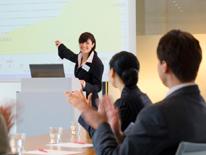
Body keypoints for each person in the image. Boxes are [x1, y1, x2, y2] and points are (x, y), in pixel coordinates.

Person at [65, 29, 206, 155]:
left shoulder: (157, 114)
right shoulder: (202, 109)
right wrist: (119, 135)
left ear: (164, 66)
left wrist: (89, 113)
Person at [55, 32, 104, 136]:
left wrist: (85, 84)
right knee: (77, 132)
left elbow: (98, 87)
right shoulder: (79, 57)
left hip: (89, 102)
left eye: (87, 43)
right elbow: (70, 55)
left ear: (93, 44)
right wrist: (60, 46)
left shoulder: (97, 63)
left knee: (89, 133)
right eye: (81, 42)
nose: (84, 45)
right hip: (78, 99)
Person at [108, 51, 151, 131]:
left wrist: (85, 112)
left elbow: (107, 138)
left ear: (112, 72)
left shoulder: (123, 103)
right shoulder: (144, 97)